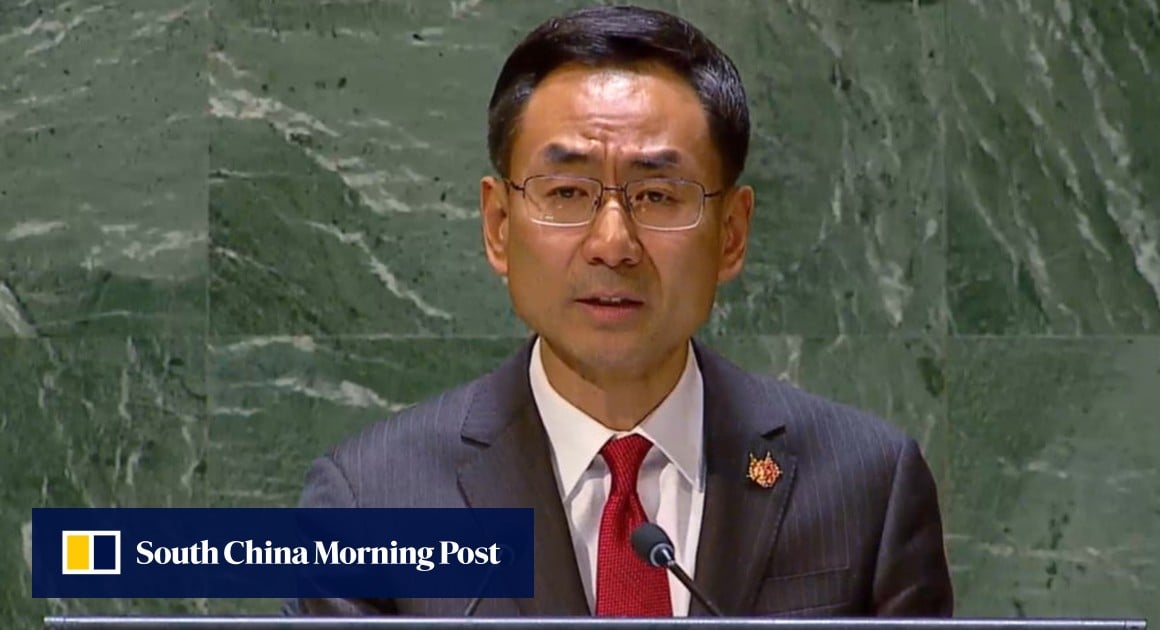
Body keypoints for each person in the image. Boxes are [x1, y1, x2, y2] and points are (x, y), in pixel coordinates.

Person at [290, 4, 952, 617]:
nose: (612, 243)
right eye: (567, 192)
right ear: (498, 225)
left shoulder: (867, 487)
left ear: (731, 234)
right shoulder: (370, 504)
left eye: (659, 195)